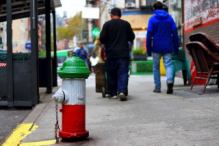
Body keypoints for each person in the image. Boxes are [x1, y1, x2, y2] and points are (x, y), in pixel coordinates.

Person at [99, 7, 135, 101]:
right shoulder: (126, 24)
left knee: (111, 73)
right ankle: (122, 91)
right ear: (120, 15)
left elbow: (102, 39)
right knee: (122, 73)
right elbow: (132, 36)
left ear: (111, 15)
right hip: (123, 53)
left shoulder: (107, 24)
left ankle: (113, 93)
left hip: (110, 54)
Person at [146, 1, 179, 94]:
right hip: (168, 46)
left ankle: (157, 87)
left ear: (153, 9)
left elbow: (149, 35)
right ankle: (169, 81)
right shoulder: (169, 18)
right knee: (168, 65)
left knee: (156, 67)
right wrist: (175, 48)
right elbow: (175, 33)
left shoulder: (152, 19)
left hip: (156, 47)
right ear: (163, 8)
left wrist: (149, 50)